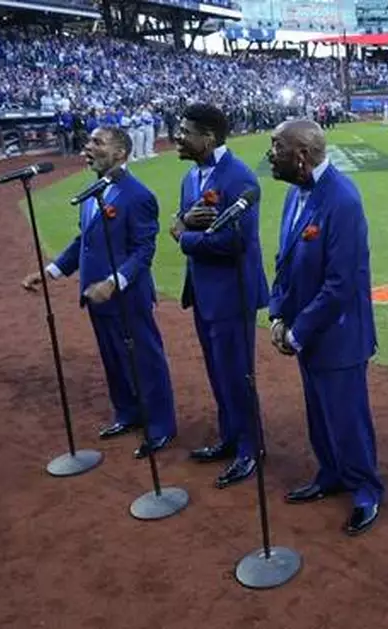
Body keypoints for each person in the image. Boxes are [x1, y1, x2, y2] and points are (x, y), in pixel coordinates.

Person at [21, 126, 179, 458]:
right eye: (89, 142)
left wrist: (113, 281)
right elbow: (84, 241)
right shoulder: (91, 191)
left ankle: (161, 426)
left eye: (97, 142)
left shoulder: (138, 196)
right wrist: (50, 271)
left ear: (121, 152)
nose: (87, 147)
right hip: (95, 295)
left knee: (145, 360)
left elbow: (143, 251)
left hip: (126, 296)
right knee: (113, 358)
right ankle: (128, 413)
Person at [266, 119, 385, 537]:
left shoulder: (342, 200)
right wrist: (277, 313)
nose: (270, 155)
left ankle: (366, 491)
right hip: (305, 330)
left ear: (300, 156)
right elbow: (284, 262)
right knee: (318, 414)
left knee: (347, 417)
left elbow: (340, 283)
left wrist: (297, 332)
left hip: (337, 335)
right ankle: (330, 473)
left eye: (276, 147)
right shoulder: (294, 195)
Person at [170, 102, 270, 489]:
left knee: (236, 374)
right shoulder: (190, 176)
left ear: (207, 138)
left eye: (185, 132)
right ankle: (230, 437)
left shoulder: (239, 178)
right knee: (217, 372)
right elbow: (181, 218)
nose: (178, 137)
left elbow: (236, 241)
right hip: (204, 292)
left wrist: (184, 237)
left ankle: (250, 448)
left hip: (232, 293)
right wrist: (184, 226)